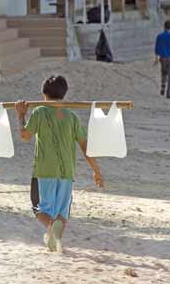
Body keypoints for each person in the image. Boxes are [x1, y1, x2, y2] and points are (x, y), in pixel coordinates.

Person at [15, 75, 104, 253]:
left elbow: (25, 136)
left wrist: (21, 115)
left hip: (44, 170)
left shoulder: (39, 112)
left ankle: (50, 227)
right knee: (62, 213)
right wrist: (96, 171)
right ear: (64, 94)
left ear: (44, 94)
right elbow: (85, 146)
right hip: (67, 172)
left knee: (39, 208)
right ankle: (54, 239)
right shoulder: (71, 117)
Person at [155, 20, 170, 99]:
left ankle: (163, 87)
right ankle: (169, 93)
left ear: (164, 26)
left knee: (164, 72)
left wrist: (156, 58)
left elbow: (156, 48)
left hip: (163, 58)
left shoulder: (159, 36)